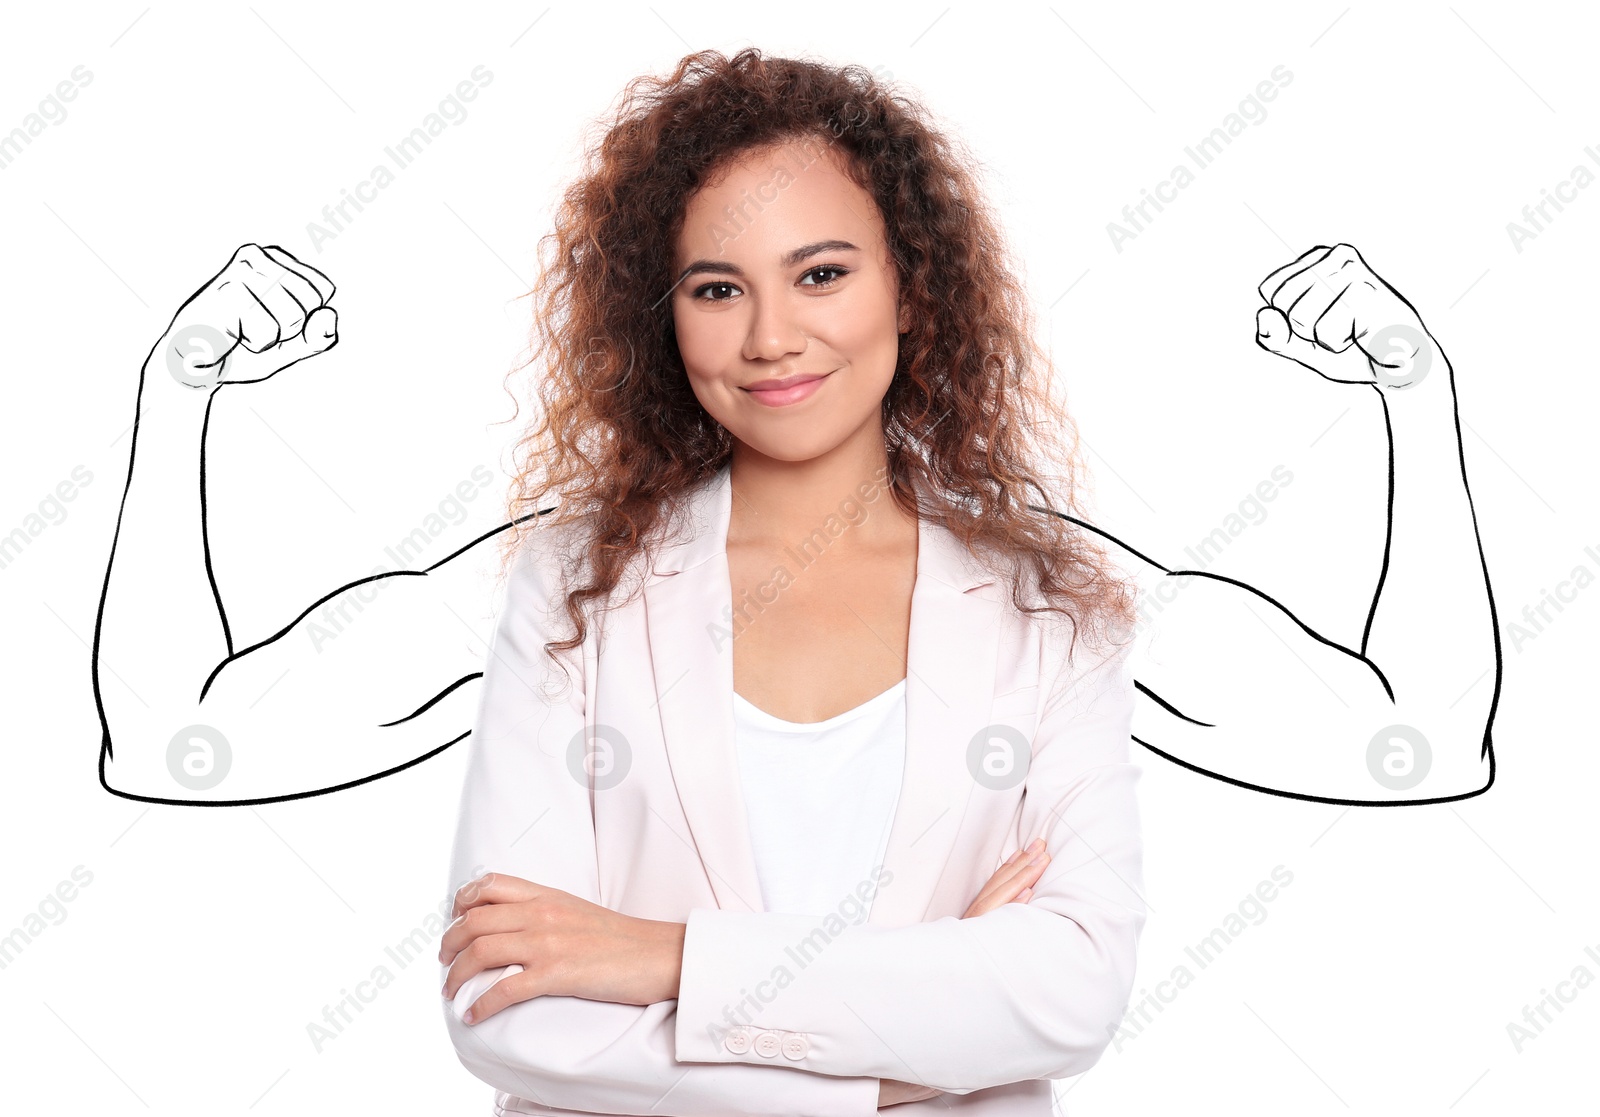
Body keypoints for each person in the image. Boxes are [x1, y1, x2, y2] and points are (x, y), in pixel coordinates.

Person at [91, 47, 1499, 1111]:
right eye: (717, 287)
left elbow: (1088, 980)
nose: (773, 336)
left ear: (910, 287)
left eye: (821, 272)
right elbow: (494, 995)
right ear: (664, 319)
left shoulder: (1050, 602)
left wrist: (661, 958)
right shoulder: (569, 580)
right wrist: (173, 400)